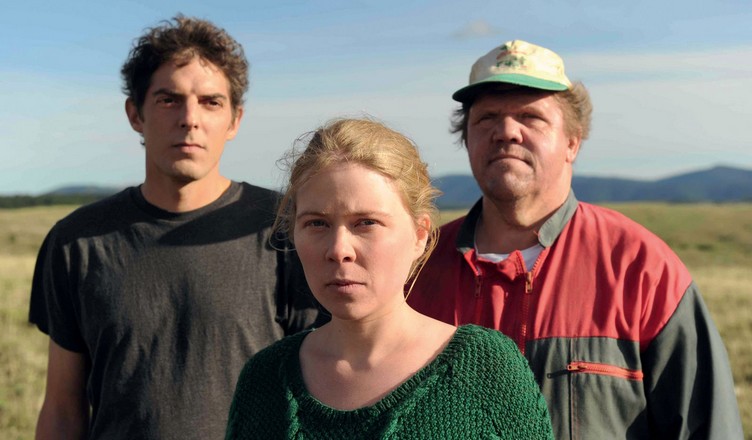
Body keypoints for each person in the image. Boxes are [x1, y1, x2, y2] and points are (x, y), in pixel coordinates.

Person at [408, 40, 744, 439]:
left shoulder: (641, 268)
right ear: (466, 139)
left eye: (530, 117)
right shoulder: (414, 268)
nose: (506, 131)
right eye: (487, 118)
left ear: (572, 142)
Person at [28, 15, 324, 439]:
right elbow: (62, 408)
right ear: (135, 113)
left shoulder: (286, 229)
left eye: (210, 102)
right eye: (169, 99)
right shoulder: (76, 242)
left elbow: (322, 393)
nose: (189, 118)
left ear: (235, 120)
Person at [225, 118, 554, 439]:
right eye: (317, 224)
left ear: (419, 235)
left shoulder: (485, 370)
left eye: (366, 223)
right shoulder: (264, 380)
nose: (339, 250)